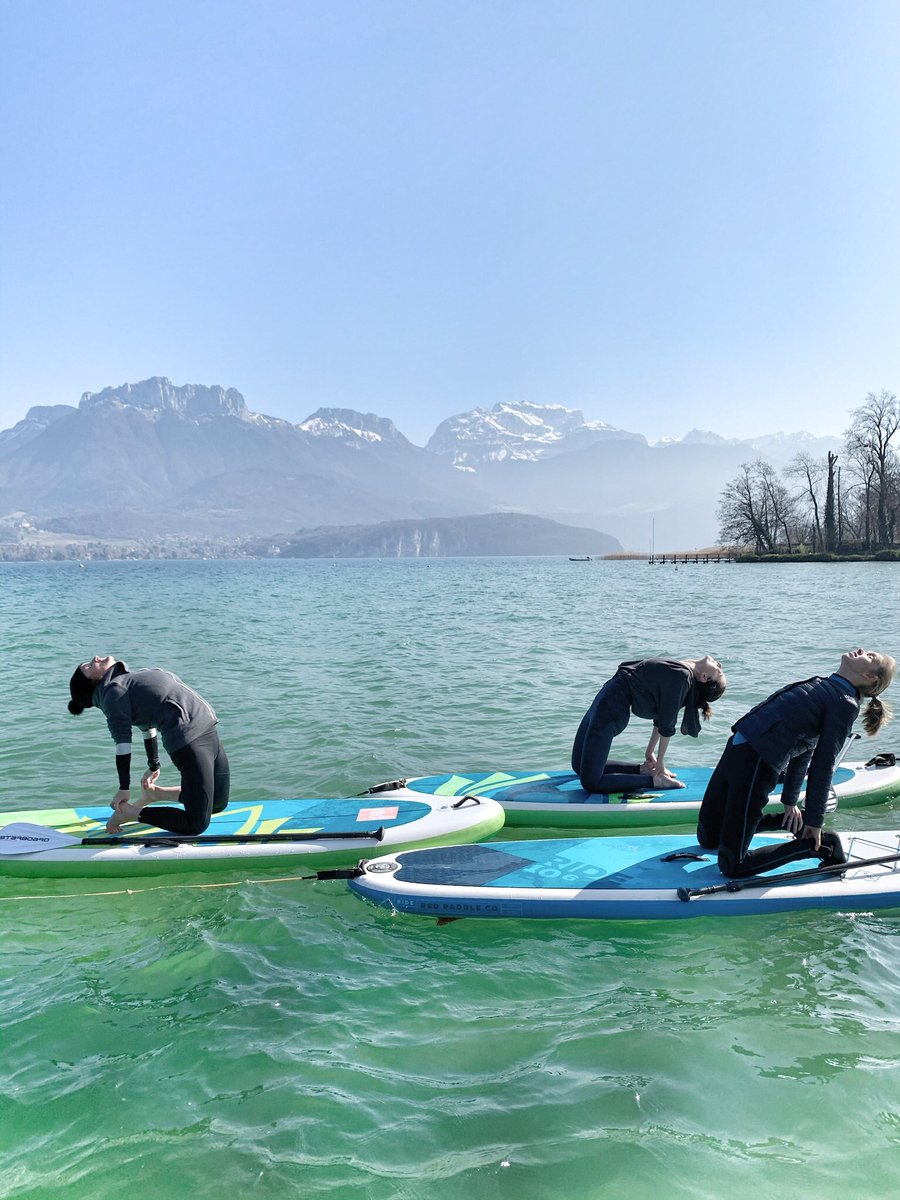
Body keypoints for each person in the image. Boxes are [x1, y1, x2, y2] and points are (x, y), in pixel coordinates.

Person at [697, 648, 895, 878]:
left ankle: (826, 845)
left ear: (871, 677)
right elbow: (804, 749)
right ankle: (787, 822)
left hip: (757, 762)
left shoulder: (845, 703)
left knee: (733, 866)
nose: (863, 651)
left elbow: (823, 764)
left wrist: (814, 819)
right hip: (736, 751)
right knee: (709, 837)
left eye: (871, 657)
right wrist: (790, 802)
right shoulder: (826, 685)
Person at [68, 655, 230, 836]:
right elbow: (123, 745)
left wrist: (154, 764)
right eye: (90, 666)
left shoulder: (125, 683)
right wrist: (124, 787)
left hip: (208, 731)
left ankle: (155, 794)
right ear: (92, 682)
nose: (95, 658)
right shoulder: (113, 694)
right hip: (190, 742)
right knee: (195, 824)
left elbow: (147, 726)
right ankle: (130, 812)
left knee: (217, 802)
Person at [571, 656, 727, 793]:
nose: (719, 665)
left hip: (611, 708)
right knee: (578, 764)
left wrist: (660, 767)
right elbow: (661, 715)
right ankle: (643, 770)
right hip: (604, 699)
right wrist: (650, 752)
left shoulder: (682, 677)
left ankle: (655, 781)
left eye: (719, 671)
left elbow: (666, 724)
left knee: (591, 782)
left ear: (705, 677)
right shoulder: (683, 670)